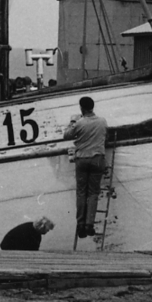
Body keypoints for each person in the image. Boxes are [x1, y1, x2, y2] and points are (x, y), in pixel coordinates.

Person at [63, 96, 108, 239]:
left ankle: (81, 224)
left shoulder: (79, 123)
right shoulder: (102, 121)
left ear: (81, 108)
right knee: (93, 193)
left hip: (82, 159)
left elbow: (66, 135)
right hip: (98, 159)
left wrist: (72, 121)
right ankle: (90, 224)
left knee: (81, 192)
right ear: (93, 107)